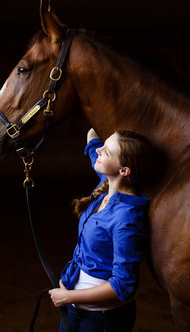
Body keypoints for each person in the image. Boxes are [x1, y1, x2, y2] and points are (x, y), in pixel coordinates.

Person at [48, 128, 153, 332]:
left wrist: (69, 296)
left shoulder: (127, 218)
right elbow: (92, 141)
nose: (99, 151)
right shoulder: (107, 183)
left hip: (102, 320)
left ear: (124, 170)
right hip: (74, 309)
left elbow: (122, 286)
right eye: (103, 146)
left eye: (106, 152)